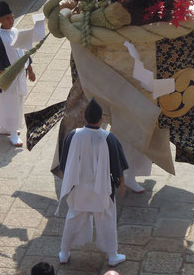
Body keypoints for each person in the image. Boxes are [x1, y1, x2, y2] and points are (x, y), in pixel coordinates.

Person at [58, 98, 128, 267]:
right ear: (101, 118)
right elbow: (118, 167)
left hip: (79, 187)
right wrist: (122, 185)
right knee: (107, 220)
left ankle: (64, 253)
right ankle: (112, 255)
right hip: (103, 189)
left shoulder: (73, 136)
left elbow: (65, 163)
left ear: (84, 116)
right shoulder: (109, 138)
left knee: (73, 218)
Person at [0, 1, 35, 147]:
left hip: (19, 76)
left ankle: (5, 128)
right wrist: (5, 78)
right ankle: (13, 133)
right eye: (7, 19)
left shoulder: (16, 31)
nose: (11, 21)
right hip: (7, 77)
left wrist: (30, 69)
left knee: (16, 103)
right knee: (10, 104)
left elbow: (25, 51)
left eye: (12, 18)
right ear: (0, 20)